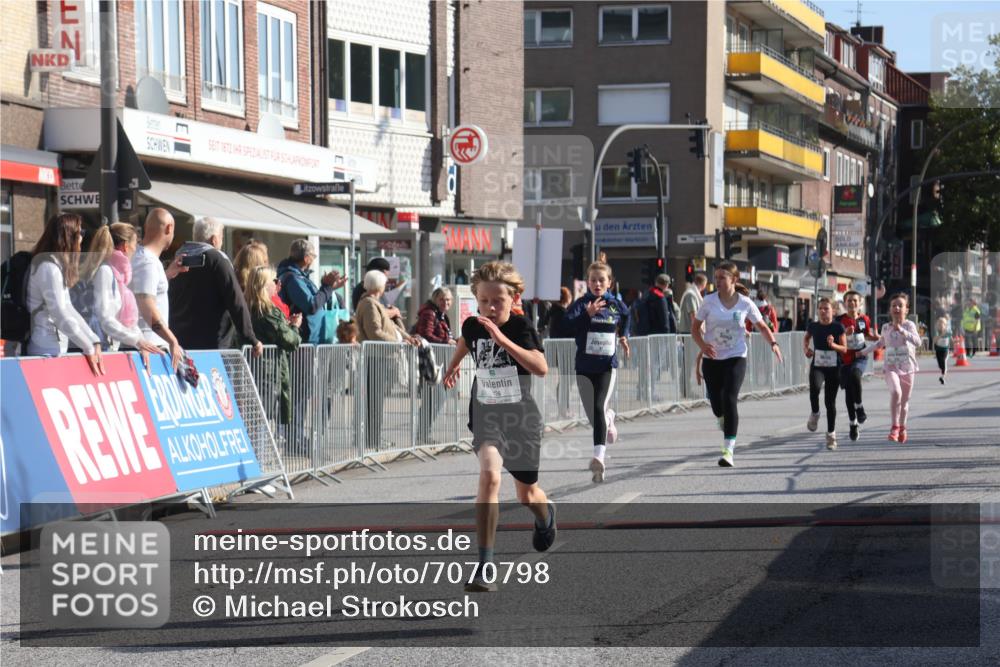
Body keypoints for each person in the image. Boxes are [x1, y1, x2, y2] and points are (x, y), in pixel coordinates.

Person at [441, 261, 555, 592]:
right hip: (487, 413)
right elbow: (466, 340)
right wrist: (452, 366)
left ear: (513, 298)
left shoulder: (521, 328)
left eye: (498, 301)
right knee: (490, 476)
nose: (490, 308)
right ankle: (485, 566)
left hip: (520, 417)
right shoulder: (475, 325)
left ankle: (545, 516)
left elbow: (541, 368)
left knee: (526, 493)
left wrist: (501, 339)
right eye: (484, 301)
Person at [691, 262, 783, 467]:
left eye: (722, 278)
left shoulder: (745, 303)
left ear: (733, 280)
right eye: (716, 278)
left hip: (736, 356)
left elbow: (761, 326)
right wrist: (703, 346)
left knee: (729, 397)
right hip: (712, 358)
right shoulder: (708, 301)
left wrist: (774, 344)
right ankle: (722, 418)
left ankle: (728, 451)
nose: (717, 282)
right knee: (716, 404)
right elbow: (695, 329)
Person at [563, 261, 630, 483]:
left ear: (609, 282)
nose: (597, 284)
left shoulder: (616, 305)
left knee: (599, 406)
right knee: (594, 415)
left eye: (602, 280)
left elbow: (627, 318)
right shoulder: (581, 305)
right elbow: (567, 326)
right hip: (583, 367)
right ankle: (610, 418)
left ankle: (598, 458)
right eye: (593, 280)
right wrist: (587, 315)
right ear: (587, 283)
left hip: (606, 366)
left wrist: (623, 336)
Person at [168, 217, 263, 356]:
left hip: (179, 340)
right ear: (214, 239)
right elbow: (235, 300)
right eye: (221, 237)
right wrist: (251, 338)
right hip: (211, 343)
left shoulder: (178, 259)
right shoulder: (217, 259)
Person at [72, 223, 163, 366]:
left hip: (104, 350)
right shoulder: (106, 272)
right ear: (126, 246)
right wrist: (137, 340)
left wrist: (141, 342)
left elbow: (127, 322)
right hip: (95, 352)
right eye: (135, 244)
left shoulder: (117, 275)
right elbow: (106, 319)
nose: (136, 249)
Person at [25, 213, 104, 375]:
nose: (82, 238)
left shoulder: (54, 266)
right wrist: (88, 347)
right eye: (80, 233)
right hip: (44, 349)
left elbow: (69, 309)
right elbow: (60, 313)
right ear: (69, 237)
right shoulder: (48, 268)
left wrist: (93, 339)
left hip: (53, 348)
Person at [356, 269, 419, 450]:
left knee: (378, 401)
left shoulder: (375, 303)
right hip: (376, 357)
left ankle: (375, 438)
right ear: (380, 286)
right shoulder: (369, 304)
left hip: (382, 356)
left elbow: (390, 326)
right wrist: (399, 342)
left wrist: (407, 337)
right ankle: (372, 440)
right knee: (374, 401)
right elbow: (374, 331)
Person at [859, 293, 921, 443]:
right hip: (891, 367)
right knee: (896, 392)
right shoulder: (886, 327)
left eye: (900, 305)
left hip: (908, 367)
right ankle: (894, 426)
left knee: (905, 403)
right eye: (894, 305)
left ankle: (902, 427)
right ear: (890, 309)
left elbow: (918, 342)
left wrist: (902, 331)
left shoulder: (909, 325)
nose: (897, 308)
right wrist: (862, 352)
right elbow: (880, 343)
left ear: (907, 309)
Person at [243, 265, 302, 425]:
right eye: (275, 280)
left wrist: (287, 325)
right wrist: (295, 327)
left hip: (255, 370)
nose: (278, 284)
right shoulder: (266, 310)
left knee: (257, 420)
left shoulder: (246, 307)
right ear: (264, 284)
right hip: (266, 372)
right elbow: (290, 341)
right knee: (262, 421)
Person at [130, 208, 186, 370]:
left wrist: (168, 274)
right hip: (149, 349)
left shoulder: (145, 258)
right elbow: (146, 305)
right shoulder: (147, 262)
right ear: (169, 228)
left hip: (148, 347)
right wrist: (172, 340)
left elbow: (145, 292)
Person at [276, 239, 347, 344]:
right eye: (313, 256)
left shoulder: (299, 277)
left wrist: (330, 288)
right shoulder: (293, 279)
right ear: (306, 258)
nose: (314, 260)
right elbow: (311, 305)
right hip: (304, 340)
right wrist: (327, 287)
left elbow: (316, 300)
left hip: (311, 338)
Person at [804, 298, 848, 450]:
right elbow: (806, 338)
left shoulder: (838, 327)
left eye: (826, 309)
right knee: (814, 389)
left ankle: (831, 434)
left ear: (833, 311)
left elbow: (844, 349)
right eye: (821, 309)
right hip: (818, 365)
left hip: (833, 368)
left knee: (830, 402)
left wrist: (833, 345)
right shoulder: (813, 326)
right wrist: (806, 349)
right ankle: (815, 413)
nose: (823, 311)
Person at [836, 290, 879, 441]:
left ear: (860, 303)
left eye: (855, 300)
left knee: (856, 375)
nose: (852, 303)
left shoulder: (864, 319)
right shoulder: (839, 321)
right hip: (844, 360)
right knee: (848, 394)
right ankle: (853, 424)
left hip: (860, 356)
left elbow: (867, 334)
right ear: (845, 303)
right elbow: (834, 339)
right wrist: (845, 335)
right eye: (849, 301)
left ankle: (859, 406)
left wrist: (879, 338)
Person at [415, 288, 455, 443]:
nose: (446, 303)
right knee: (433, 398)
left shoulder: (441, 315)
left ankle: (424, 434)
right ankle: (422, 435)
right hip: (430, 362)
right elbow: (426, 335)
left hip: (438, 361)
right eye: (442, 299)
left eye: (448, 300)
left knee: (437, 399)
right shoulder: (429, 313)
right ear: (435, 299)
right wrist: (446, 342)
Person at [235, 240, 290, 319]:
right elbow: (281, 315)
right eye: (264, 260)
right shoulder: (258, 286)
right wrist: (273, 294)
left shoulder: (233, 280)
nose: (266, 264)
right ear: (258, 263)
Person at [932, 316, 952, 385]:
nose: (940, 325)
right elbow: (934, 341)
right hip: (938, 350)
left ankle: (942, 377)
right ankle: (942, 372)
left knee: (943, 363)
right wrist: (940, 335)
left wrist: (956, 341)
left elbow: (951, 339)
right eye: (939, 324)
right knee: (940, 365)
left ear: (945, 325)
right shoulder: (937, 332)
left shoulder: (948, 332)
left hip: (945, 350)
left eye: (942, 324)